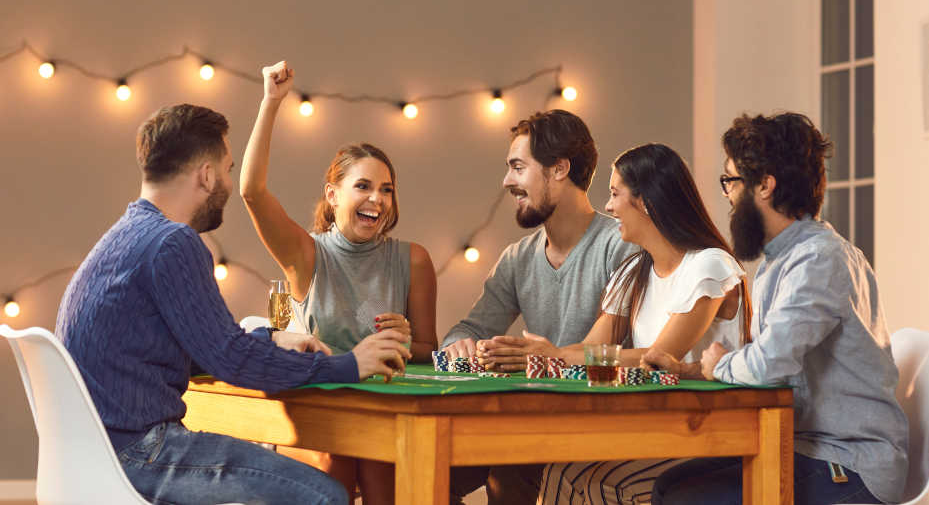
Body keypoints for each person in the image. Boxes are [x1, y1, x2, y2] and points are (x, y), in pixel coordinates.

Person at [56, 104, 410, 505]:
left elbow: (200, 348)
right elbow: (231, 359)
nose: (227, 181)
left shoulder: (126, 235)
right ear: (207, 175)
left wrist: (270, 338)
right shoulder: (172, 243)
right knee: (325, 495)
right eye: (227, 169)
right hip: (139, 453)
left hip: (94, 453)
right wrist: (349, 365)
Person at [647, 112, 908, 505]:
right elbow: (773, 360)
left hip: (848, 463)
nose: (728, 196)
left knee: (684, 499)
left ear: (765, 186)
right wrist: (691, 370)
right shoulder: (782, 260)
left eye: (731, 181)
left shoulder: (818, 259)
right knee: (669, 486)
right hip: (805, 447)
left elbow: (770, 363)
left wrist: (718, 365)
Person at [240, 61, 437, 504]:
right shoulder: (307, 255)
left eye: (386, 189)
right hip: (320, 411)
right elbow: (251, 191)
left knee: (386, 469)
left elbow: (429, 349)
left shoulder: (413, 260)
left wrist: (406, 341)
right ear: (333, 195)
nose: (377, 199)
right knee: (338, 464)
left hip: (383, 412)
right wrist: (271, 102)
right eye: (363, 186)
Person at [509, 143, 751, 505]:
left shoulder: (710, 265)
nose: (607, 206)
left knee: (594, 482)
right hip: (657, 426)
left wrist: (555, 355)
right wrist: (535, 352)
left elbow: (660, 358)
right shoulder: (634, 271)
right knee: (561, 469)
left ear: (646, 202)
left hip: (711, 432)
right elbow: (592, 348)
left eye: (614, 193)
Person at [442, 109, 635, 504]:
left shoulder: (621, 246)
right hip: (526, 423)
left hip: (603, 425)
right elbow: (469, 329)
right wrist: (459, 345)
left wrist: (551, 357)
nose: (506, 181)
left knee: (509, 472)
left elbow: (624, 353)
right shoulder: (518, 258)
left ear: (559, 169)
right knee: (428, 466)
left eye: (518, 167)